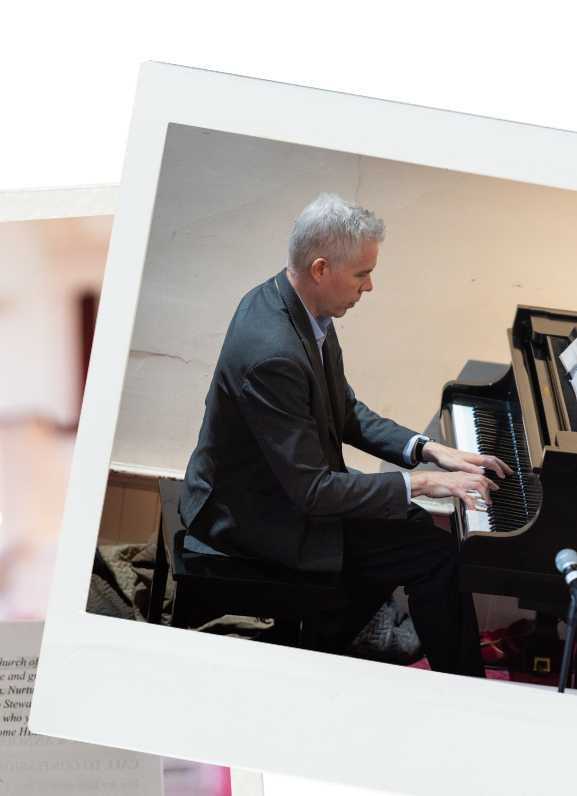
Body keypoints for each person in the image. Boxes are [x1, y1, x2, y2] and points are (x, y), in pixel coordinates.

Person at [179, 192, 511, 676]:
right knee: (433, 551)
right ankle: (463, 694)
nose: (370, 286)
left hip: (279, 491)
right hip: (250, 514)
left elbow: (345, 411)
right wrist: (423, 483)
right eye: (361, 274)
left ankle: (319, 640)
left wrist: (431, 452)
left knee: (416, 531)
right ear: (320, 268)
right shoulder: (273, 352)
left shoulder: (301, 308)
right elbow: (313, 492)